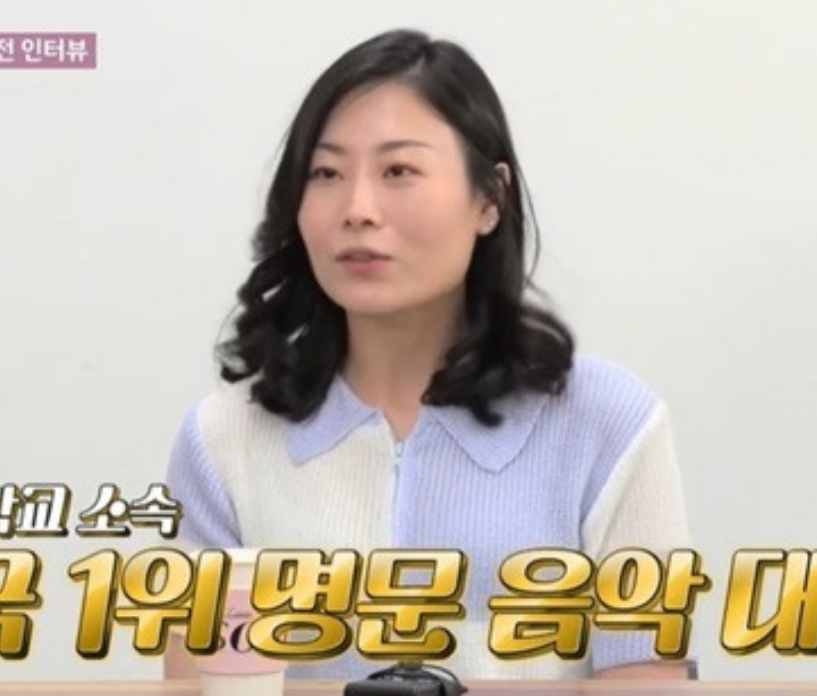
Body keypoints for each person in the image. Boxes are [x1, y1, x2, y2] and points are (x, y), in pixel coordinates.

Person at [165, 28, 692, 681]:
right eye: (326, 173)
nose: (358, 209)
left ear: (489, 198)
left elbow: (645, 679)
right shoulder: (223, 439)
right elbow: (196, 685)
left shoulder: (607, 423)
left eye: (398, 172)